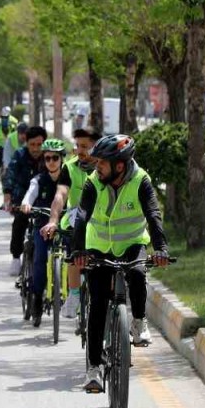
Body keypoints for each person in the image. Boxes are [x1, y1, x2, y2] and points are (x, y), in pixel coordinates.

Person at [70, 134, 170, 392]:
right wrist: (78, 250)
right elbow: (81, 217)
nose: (96, 167)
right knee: (99, 305)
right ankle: (93, 370)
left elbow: (153, 213)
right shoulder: (94, 182)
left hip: (131, 243)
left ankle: (138, 322)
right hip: (98, 246)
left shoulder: (141, 181)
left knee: (137, 273)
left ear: (120, 166)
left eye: (102, 163)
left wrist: (160, 248)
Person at [48, 128, 99, 319]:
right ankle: (74, 295)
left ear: (96, 146)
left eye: (84, 146)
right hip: (75, 218)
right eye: (77, 146)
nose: (79, 150)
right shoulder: (69, 167)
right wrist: (53, 221)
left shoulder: (105, 167)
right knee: (73, 251)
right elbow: (60, 195)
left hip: (101, 219)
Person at [20, 139, 71, 327]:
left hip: (65, 226)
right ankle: (37, 301)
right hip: (42, 227)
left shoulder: (70, 178)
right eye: (47, 157)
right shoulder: (38, 180)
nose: (51, 161)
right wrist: (26, 204)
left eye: (55, 157)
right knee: (40, 258)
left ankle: (74, 294)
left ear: (62, 159)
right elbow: (30, 195)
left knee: (74, 256)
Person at [2, 125, 47, 277]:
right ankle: (16, 258)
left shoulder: (49, 157)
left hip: (43, 200)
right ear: (26, 143)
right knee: (19, 224)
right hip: (21, 198)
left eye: (39, 145)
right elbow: (10, 174)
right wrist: (7, 196)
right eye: (32, 144)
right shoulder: (19, 155)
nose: (35, 149)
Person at [0, 107, 16, 175]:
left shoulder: (13, 121)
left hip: (9, 142)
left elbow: (16, 131)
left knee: (9, 156)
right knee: (0, 155)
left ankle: (8, 169)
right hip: (0, 142)